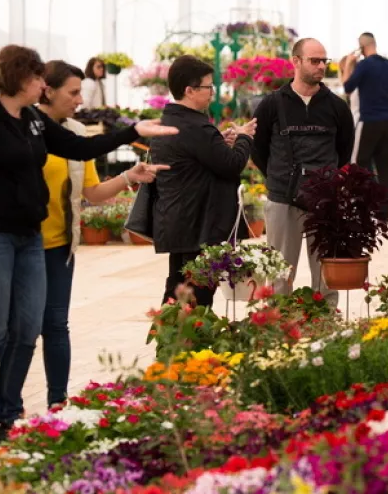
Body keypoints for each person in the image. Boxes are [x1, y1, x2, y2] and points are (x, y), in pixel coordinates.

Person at [0, 44, 177, 444]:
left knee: (28, 329)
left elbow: (78, 148)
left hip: (31, 236)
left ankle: (6, 412)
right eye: (38, 78)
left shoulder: (32, 122)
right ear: (20, 78)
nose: (42, 85)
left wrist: (132, 132)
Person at [37, 60, 167, 410]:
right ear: (46, 90)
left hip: (60, 244)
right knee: (15, 330)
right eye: (73, 92)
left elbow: (92, 193)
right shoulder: (24, 128)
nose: (80, 99)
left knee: (56, 324)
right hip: (22, 242)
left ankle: (56, 404)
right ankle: (5, 406)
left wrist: (131, 176)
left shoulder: (78, 131)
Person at [251, 38, 354, 307]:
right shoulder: (272, 105)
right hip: (282, 199)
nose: (321, 66)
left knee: (326, 271)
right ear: (296, 61)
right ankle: (276, 323)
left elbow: (344, 152)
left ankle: (326, 324)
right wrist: (280, 178)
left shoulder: (337, 107)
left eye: (324, 61)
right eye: (314, 61)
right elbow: (258, 149)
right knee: (279, 273)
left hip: (325, 200)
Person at [150, 55, 254, 310]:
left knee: (178, 292)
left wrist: (217, 141)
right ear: (189, 90)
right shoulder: (196, 127)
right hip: (200, 226)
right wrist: (244, 138)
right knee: (196, 298)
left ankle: (171, 346)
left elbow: (199, 157)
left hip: (180, 223)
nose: (212, 93)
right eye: (208, 87)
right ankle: (186, 347)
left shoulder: (171, 121)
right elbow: (231, 165)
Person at [341, 33, 388, 218]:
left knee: (359, 165)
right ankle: (384, 211)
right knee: (384, 167)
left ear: (361, 47)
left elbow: (347, 87)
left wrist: (350, 64)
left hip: (368, 121)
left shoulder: (364, 65)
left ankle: (361, 207)